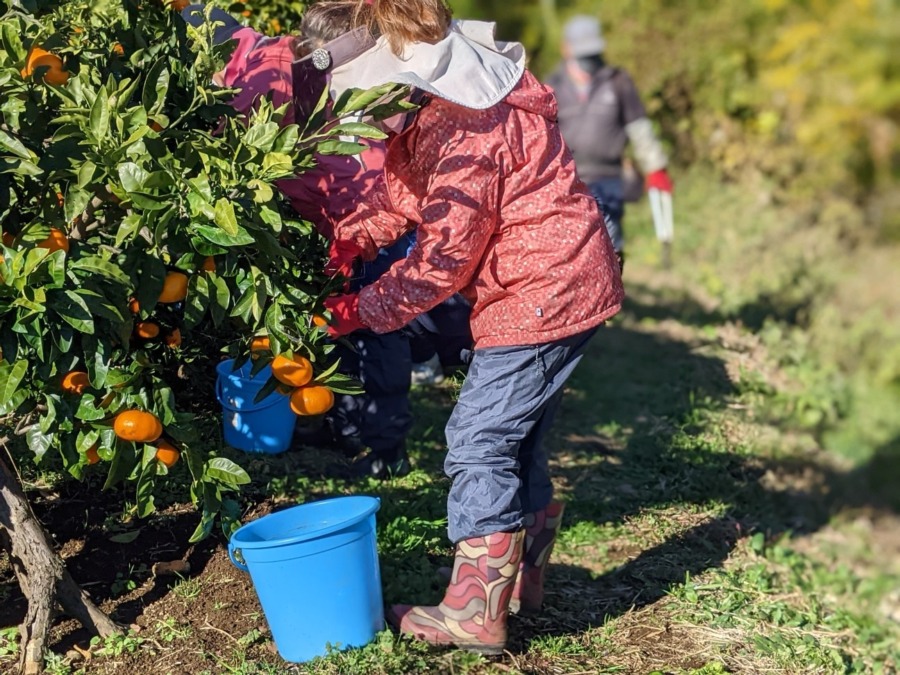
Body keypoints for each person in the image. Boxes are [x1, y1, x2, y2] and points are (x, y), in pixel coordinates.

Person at [317, 0, 624, 653]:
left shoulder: (464, 134)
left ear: (402, 83)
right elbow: (407, 201)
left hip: (538, 291)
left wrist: (358, 309)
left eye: (366, 103)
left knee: (479, 437)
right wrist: (352, 239)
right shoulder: (446, 110)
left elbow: (440, 263)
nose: (362, 120)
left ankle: (476, 608)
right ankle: (520, 582)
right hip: (568, 279)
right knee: (519, 437)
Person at [182, 2, 413, 479]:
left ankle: (383, 445)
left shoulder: (361, 89)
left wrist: (359, 236)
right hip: (311, 223)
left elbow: (386, 182)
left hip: (363, 225)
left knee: (374, 328)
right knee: (319, 327)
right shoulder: (262, 70)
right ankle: (337, 425)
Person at [546, 14, 673, 271]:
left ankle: (611, 300)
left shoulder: (618, 81)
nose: (589, 59)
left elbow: (639, 128)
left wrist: (655, 167)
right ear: (566, 48)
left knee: (610, 242)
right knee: (572, 245)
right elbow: (541, 134)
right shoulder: (552, 85)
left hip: (610, 175)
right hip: (567, 178)